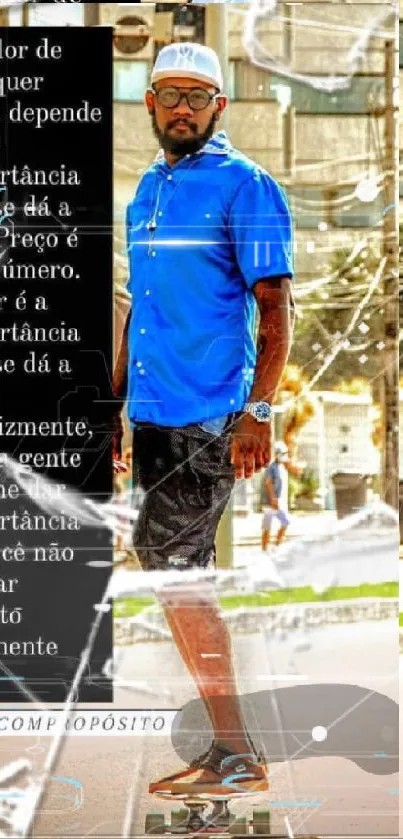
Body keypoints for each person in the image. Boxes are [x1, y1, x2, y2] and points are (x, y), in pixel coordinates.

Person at [112, 42, 295, 799]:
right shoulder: (145, 193)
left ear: (219, 107)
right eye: (169, 94)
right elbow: (141, 318)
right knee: (172, 575)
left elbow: (277, 308)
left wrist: (259, 412)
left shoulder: (244, 184)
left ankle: (235, 751)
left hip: (213, 412)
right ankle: (231, 748)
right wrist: (116, 415)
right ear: (149, 104)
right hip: (154, 413)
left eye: (197, 95)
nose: (182, 107)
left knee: (177, 574)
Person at [261, 441, 300, 550]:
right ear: (277, 454)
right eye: (282, 453)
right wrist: (273, 499)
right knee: (267, 526)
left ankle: (276, 546)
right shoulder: (271, 467)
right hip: (270, 502)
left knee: (285, 522)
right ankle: (265, 549)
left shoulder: (282, 468)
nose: (284, 456)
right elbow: (268, 483)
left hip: (278, 501)